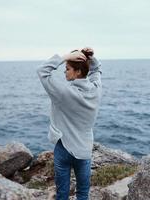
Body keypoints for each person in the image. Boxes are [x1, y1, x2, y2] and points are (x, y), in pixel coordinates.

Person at [36, 47, 102, 200]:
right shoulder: (96, 90)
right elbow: (96, 70)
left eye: (67, 68)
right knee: (83, 193)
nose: (64, 71)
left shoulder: (63, 93)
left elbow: (42, 70)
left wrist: (65, 56)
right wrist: (89, 56)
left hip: (64, 147)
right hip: (84, 150)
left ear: (77, 72)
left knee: (62, 194)